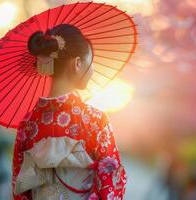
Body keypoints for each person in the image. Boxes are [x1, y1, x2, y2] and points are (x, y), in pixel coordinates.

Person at [11, 24, 127, 200]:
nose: (92, 69)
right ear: (78, 64)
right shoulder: (95, 120)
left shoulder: (28, 124)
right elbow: (111, 186)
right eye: (91, 61)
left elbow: (19, 190)